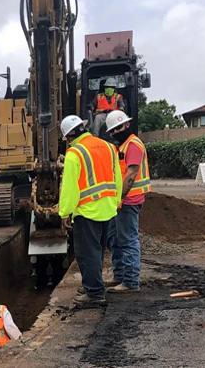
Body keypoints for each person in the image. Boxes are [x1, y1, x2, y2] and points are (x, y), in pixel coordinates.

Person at [59, 115, 122, 305]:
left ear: (69, 136)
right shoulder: (109, 147)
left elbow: (70, 187)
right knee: (98, 251)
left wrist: (65, 212)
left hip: (87, 211)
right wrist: (116, 201)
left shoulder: (75, 153)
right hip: (108, 208)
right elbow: (117, 177)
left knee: (88, 253)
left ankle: (94, 292)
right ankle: (92, 284)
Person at [105, 111, 150, 293]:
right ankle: (120, 276)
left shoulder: (132, 145)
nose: (116, 132)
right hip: (121, 201)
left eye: (118, 128)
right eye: (113, 130)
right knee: (114, 239)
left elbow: (131, 174)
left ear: (127, 125)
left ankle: (130, 281)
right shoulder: (123, 146)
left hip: (129, 200)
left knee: (128, 240)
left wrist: (120, 198)